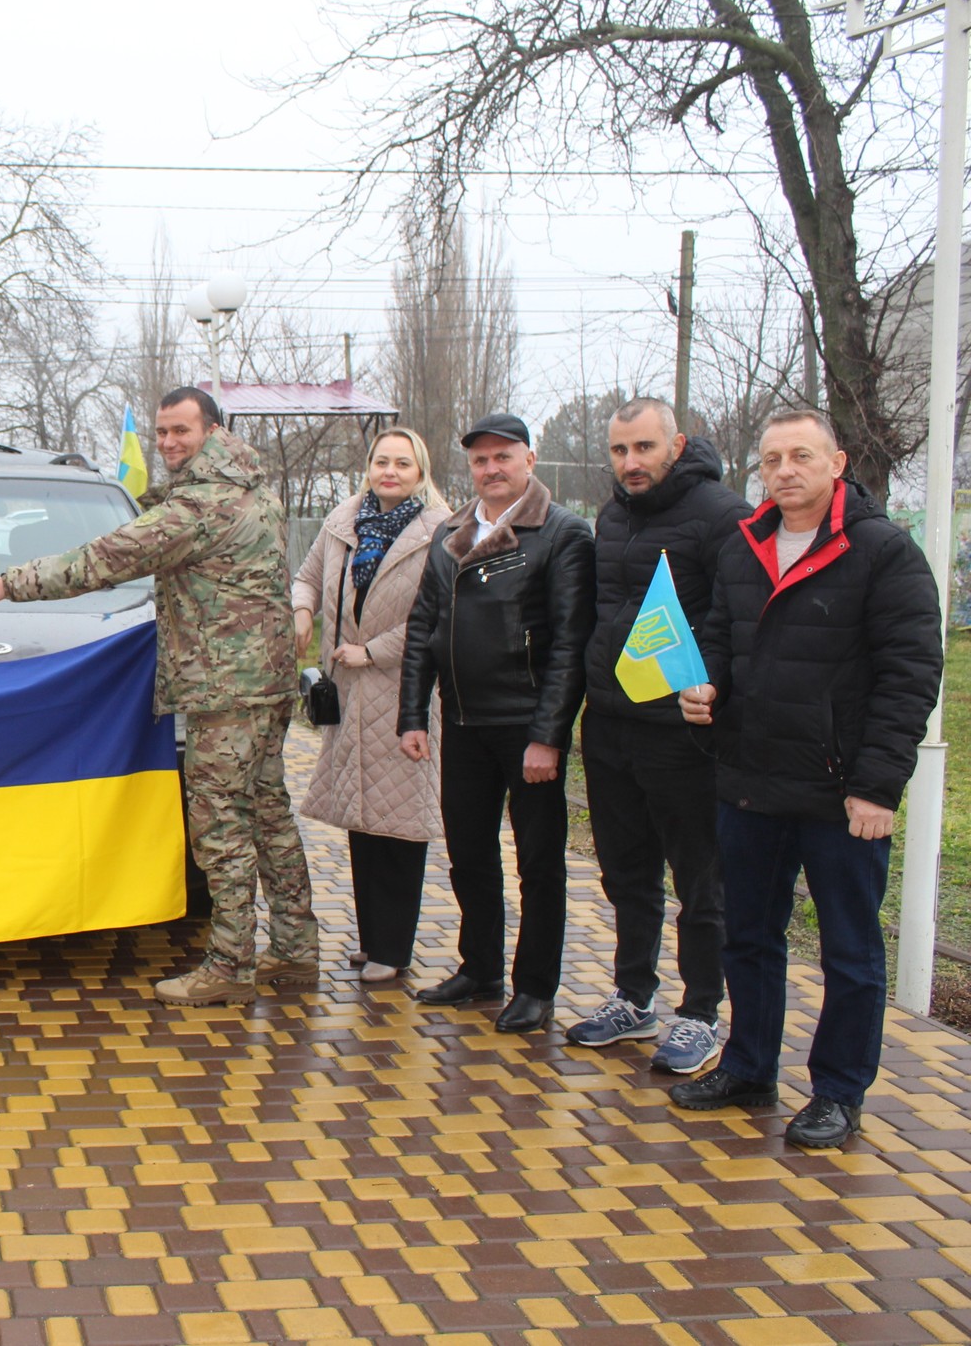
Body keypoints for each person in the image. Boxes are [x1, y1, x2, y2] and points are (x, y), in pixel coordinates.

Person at [0, 386, 312, 1006]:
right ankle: (295, 949)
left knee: (219, 823)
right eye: (163, 433)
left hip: (224, 689)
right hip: (266, 681)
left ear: (212, 430)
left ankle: (231, 964)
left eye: (182, 431)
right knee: (268, 813)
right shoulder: (256, 490)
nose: (171, 443)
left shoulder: (198, 508)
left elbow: (102, 560)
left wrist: (5, 583)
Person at [671, 410, 942, 1148]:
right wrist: (706, 685)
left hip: (841, 791)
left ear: (837, 462)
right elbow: (719, 637)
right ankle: (750, 1066)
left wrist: (879, 785)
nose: (784, 470)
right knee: (749, 936)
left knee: (849, 951)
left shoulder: (883, 551)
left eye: (801, 455)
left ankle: (838, 1092)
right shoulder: (743, 545)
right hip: (751, 780)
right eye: (771, 458)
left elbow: (910, 674)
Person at [568, 398, 750, 1073]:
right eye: (619, 451)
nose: (630, 463)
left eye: (643, 448)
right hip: (612, 724)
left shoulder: (722, 515)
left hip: (683, 733)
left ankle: (701, 1010)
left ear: (676, 443)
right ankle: (633, 996)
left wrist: (716, 684)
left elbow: (737, 618)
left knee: (699, 877)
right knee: (626, 872)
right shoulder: (612, 514)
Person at [398, 412, 594, 1034]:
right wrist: (413, 714)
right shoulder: (450, 533)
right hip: (463, 721)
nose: (491, 469)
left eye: (503, 457)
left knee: (538, 862)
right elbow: (422, 629)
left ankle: (535, 987)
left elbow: (570, 644)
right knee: (468, 855)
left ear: (529, 461)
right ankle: (478, 969)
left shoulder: (561, 534)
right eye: (481, 460)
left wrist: (548, 735)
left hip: (526, 726)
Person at [291, 428, 447, 984]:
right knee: (362, 817)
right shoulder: (342, 523)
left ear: (420, 471)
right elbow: (306, 577)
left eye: (403, 463)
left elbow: (438, 615)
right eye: (382, 461)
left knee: (398, 824)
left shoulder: (440, 532)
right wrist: (303, 610)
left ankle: (394, 947)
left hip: (404, 691)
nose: (390, 471)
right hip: (351, 692)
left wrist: (372, 650)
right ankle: (372, 937)